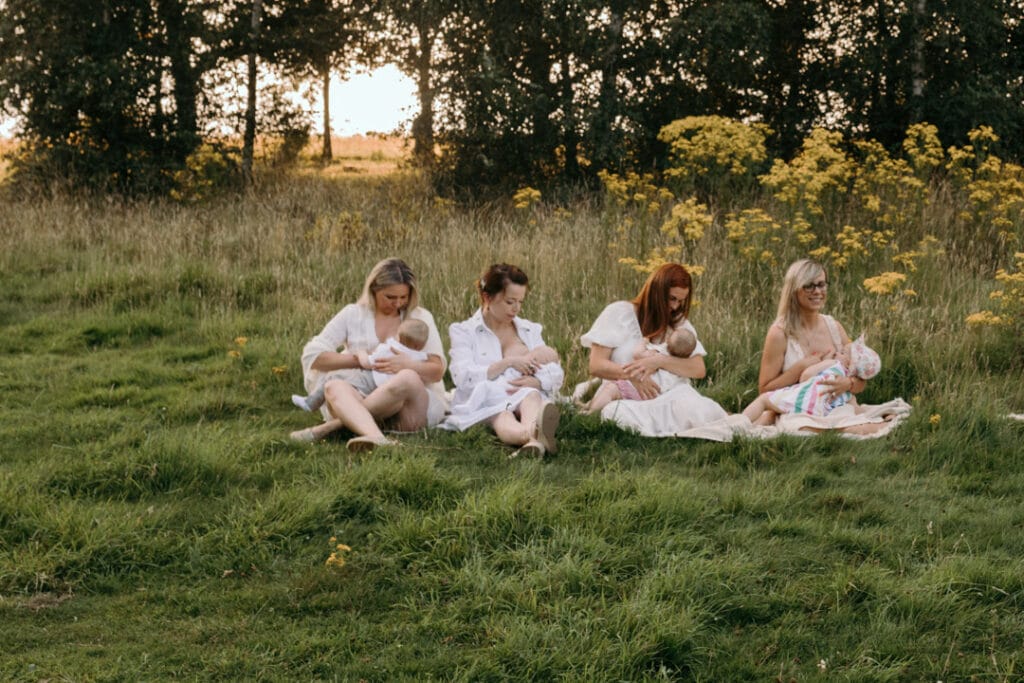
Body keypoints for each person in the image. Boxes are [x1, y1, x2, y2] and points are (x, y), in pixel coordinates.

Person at [291, 258, 448, 452]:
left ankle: (333, 427)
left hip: (406, 407)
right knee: (333, 386)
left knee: (407, 377)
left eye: (403, 297)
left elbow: (437, 370)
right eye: (390, 297)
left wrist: (406, 364)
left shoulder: (420, 318)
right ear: (374, 290)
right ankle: (377, 437)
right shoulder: (352, 314)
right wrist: (361, 360)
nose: (398, 303)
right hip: (360, 392)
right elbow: (314, 356)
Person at [580, 263, 727, 436]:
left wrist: (659, 361)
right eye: (672, 299)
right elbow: (596, 366)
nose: (675, 307)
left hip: (670, 395)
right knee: (615, 413)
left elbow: (698, 369)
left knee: (696, 408)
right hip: (625, 393)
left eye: (681, 301)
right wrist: (633, 376)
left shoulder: (679, 326)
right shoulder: (618, 313)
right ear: (656, 292)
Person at [754, 258, 888, 434]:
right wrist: (800, 367)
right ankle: (851, 429)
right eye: (809, 286)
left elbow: (860, 379)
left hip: (837, 406)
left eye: (822, 284)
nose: (817, 291)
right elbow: (764, 389)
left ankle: (847, 427)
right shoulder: (779, 333)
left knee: (842, 416)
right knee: (797, 427)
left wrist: (847, 384)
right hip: (800, 409)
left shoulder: (834, 327)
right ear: (794, 290)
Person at [442, 264, 564, 457]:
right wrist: (507, 363)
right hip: (487, 399)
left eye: (520, 302)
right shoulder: (464, 331)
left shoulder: (529, 330)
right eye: (509, 302)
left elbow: (556, 370)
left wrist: (539, 381)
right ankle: (533, 435)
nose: (516, 309)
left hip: (523, 393)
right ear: (487, 297)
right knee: (501, 415)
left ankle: (533, 442)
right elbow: (462, 377)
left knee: (531, 395)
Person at [291, 319, 430, 413]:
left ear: (399, 336)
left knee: (334, 377)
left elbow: (368, 363)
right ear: (420, 345)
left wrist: (360, 353)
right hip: (387, 389)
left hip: (371, 380)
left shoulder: (390, 349)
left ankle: (311, 403)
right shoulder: (419, 358)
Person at [743, 335, 881, 424]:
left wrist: (819, 363)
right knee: (774, 412)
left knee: (764, 400)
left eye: (842, 353)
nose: (838, 353)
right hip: (821, 413)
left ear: (849, 362)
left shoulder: (834, 364)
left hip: (805, 401)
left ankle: (739, 422)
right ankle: (753, 428)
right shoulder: (848, 392)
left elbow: (805, 377)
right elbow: (855, 408)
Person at [579, 326, 697, 414]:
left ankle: (591, 412)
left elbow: (637, 354)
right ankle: (590, 405)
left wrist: (645, 340)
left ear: (668, 342)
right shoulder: (679, 364)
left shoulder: (658, 354)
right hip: (655, 394)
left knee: (611, 388)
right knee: (611, 390)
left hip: (640, 390)